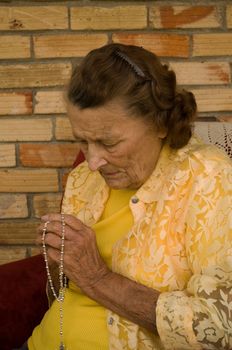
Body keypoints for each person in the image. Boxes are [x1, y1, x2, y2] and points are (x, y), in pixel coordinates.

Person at [26, 43, 231, 350]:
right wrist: (59, 264)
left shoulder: (208, 177)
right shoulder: (84, 181)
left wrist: (97, 278)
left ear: (160, 124)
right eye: (82, 140)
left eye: (109, 142)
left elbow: (218, 327)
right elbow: (61, 296)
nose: (92, 162)